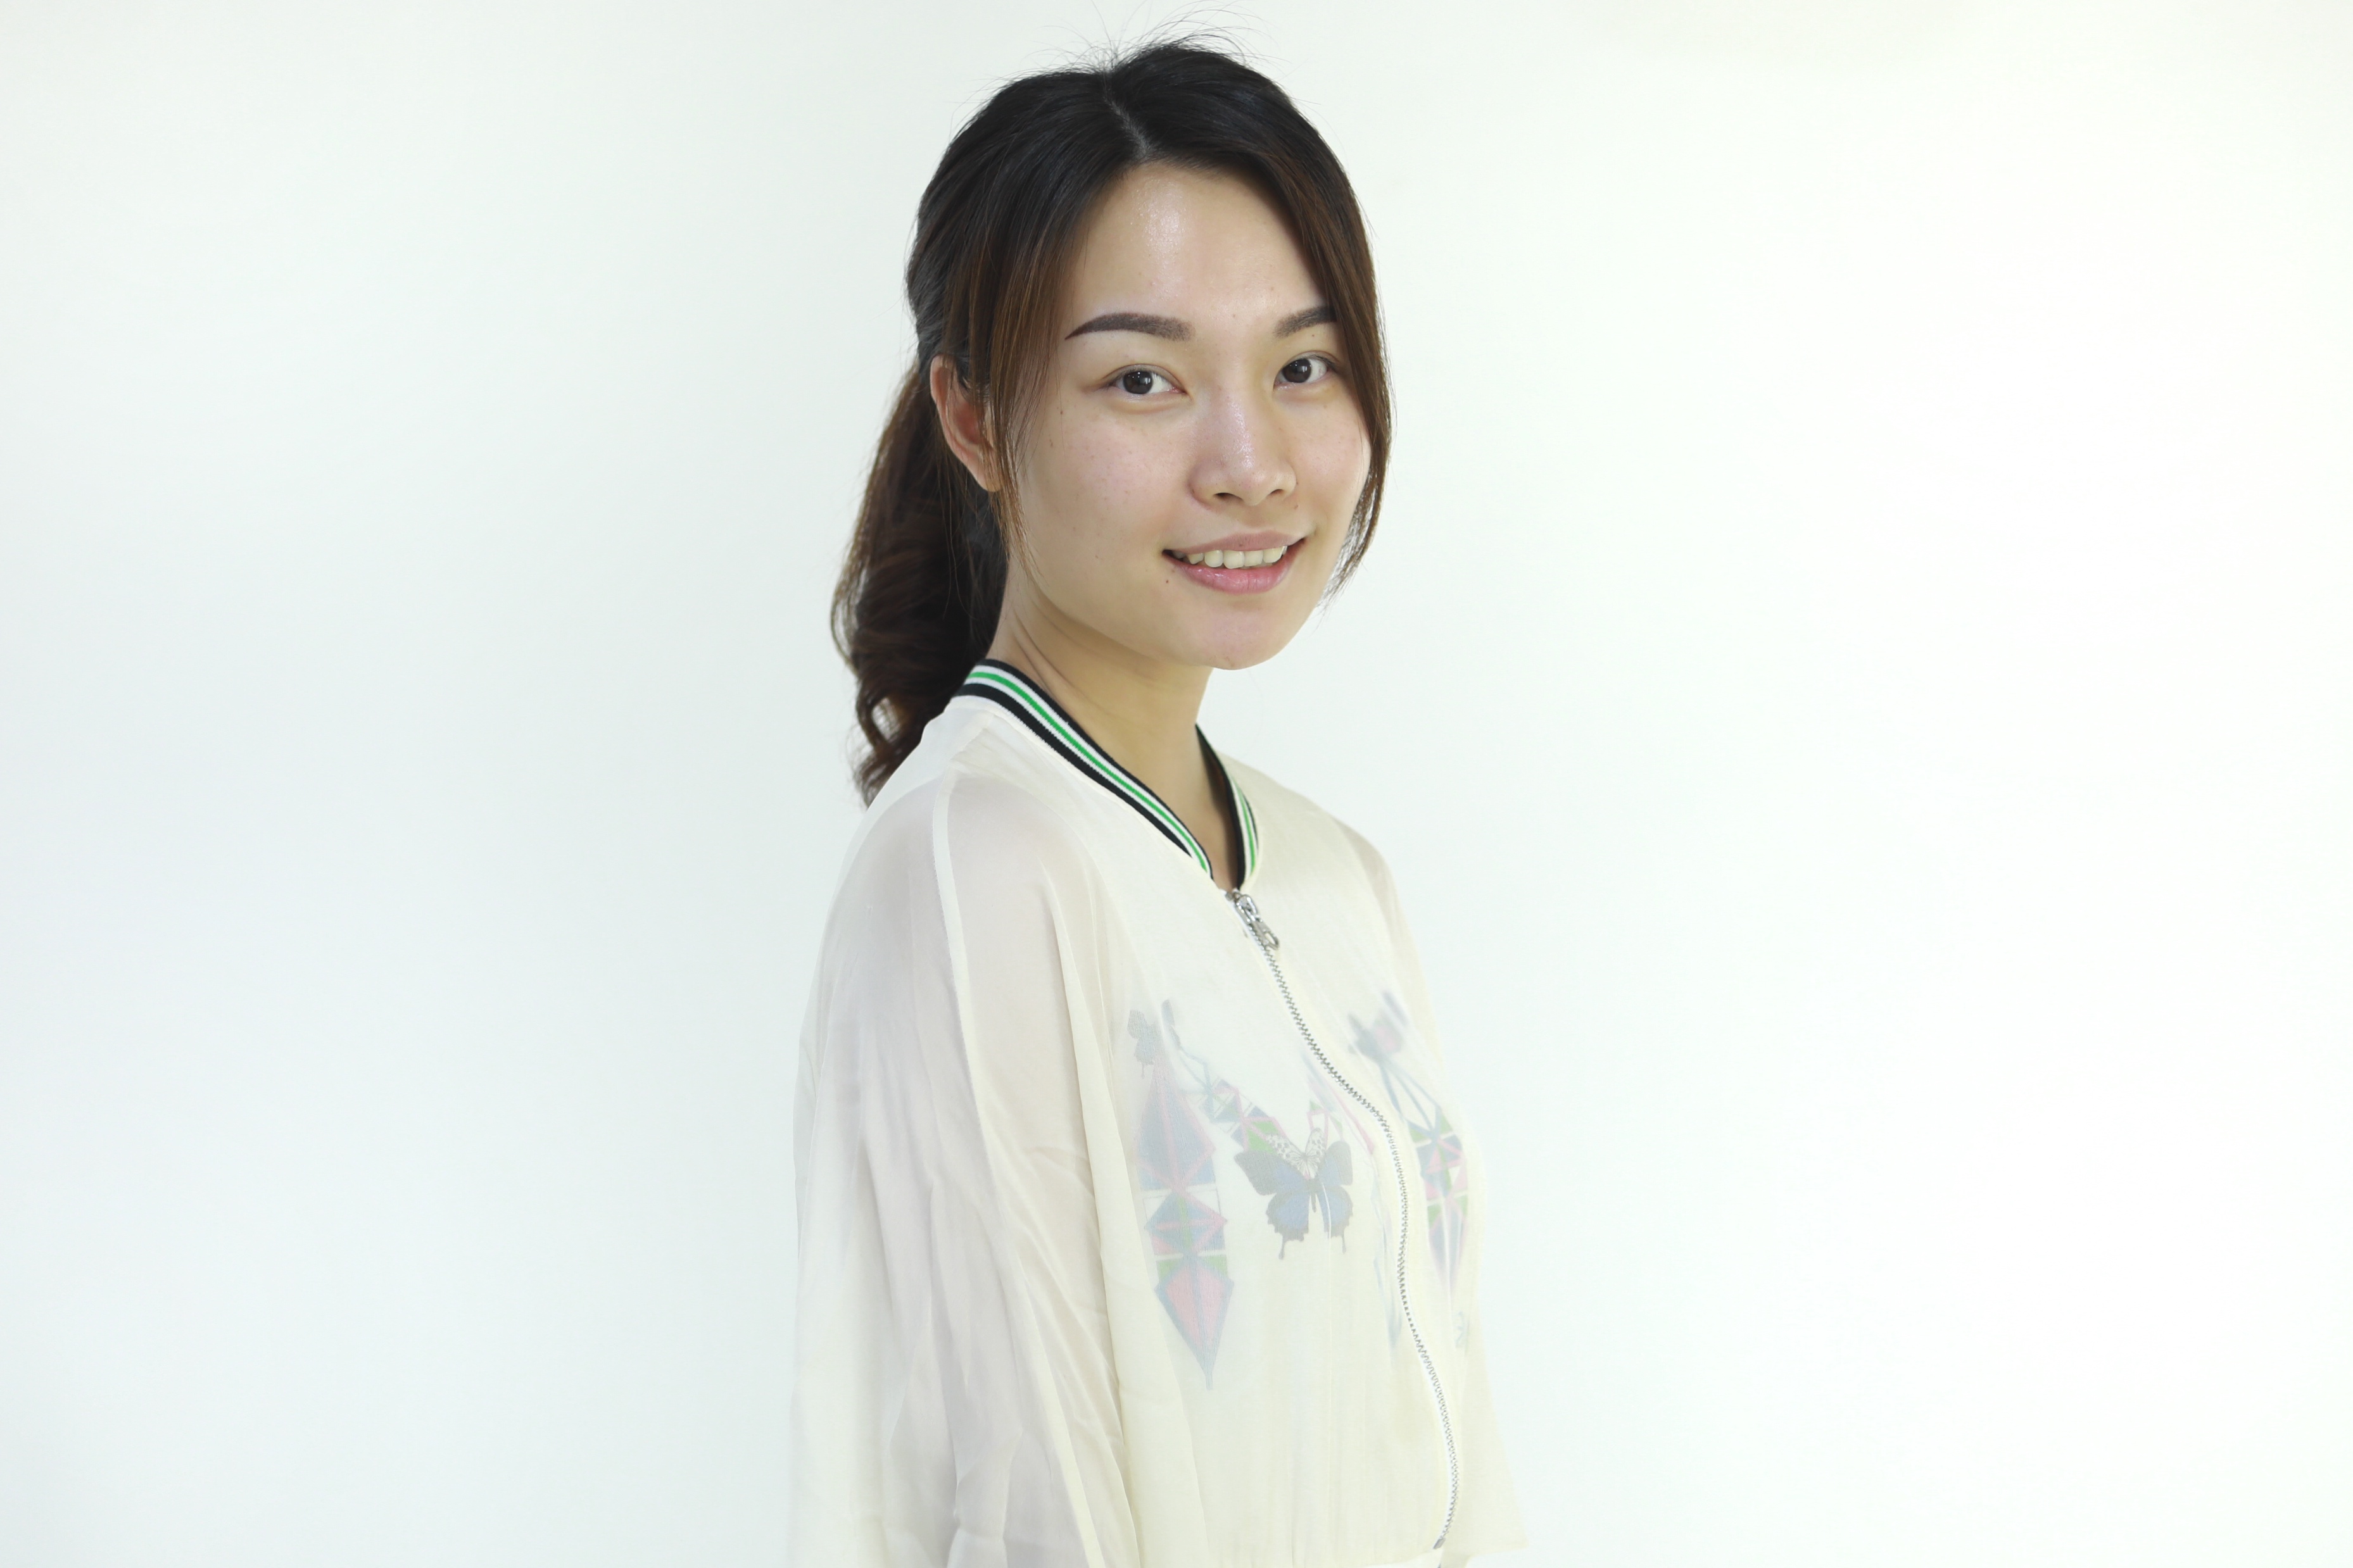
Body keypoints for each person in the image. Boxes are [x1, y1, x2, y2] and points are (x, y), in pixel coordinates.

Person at [793, 40, 1525, 1568]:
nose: (1249, 465)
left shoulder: (1332, 877)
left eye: (1302, 368)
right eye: (1143, 380)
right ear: (973, 419)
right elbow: (1031, 1508)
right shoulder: (977, 866)